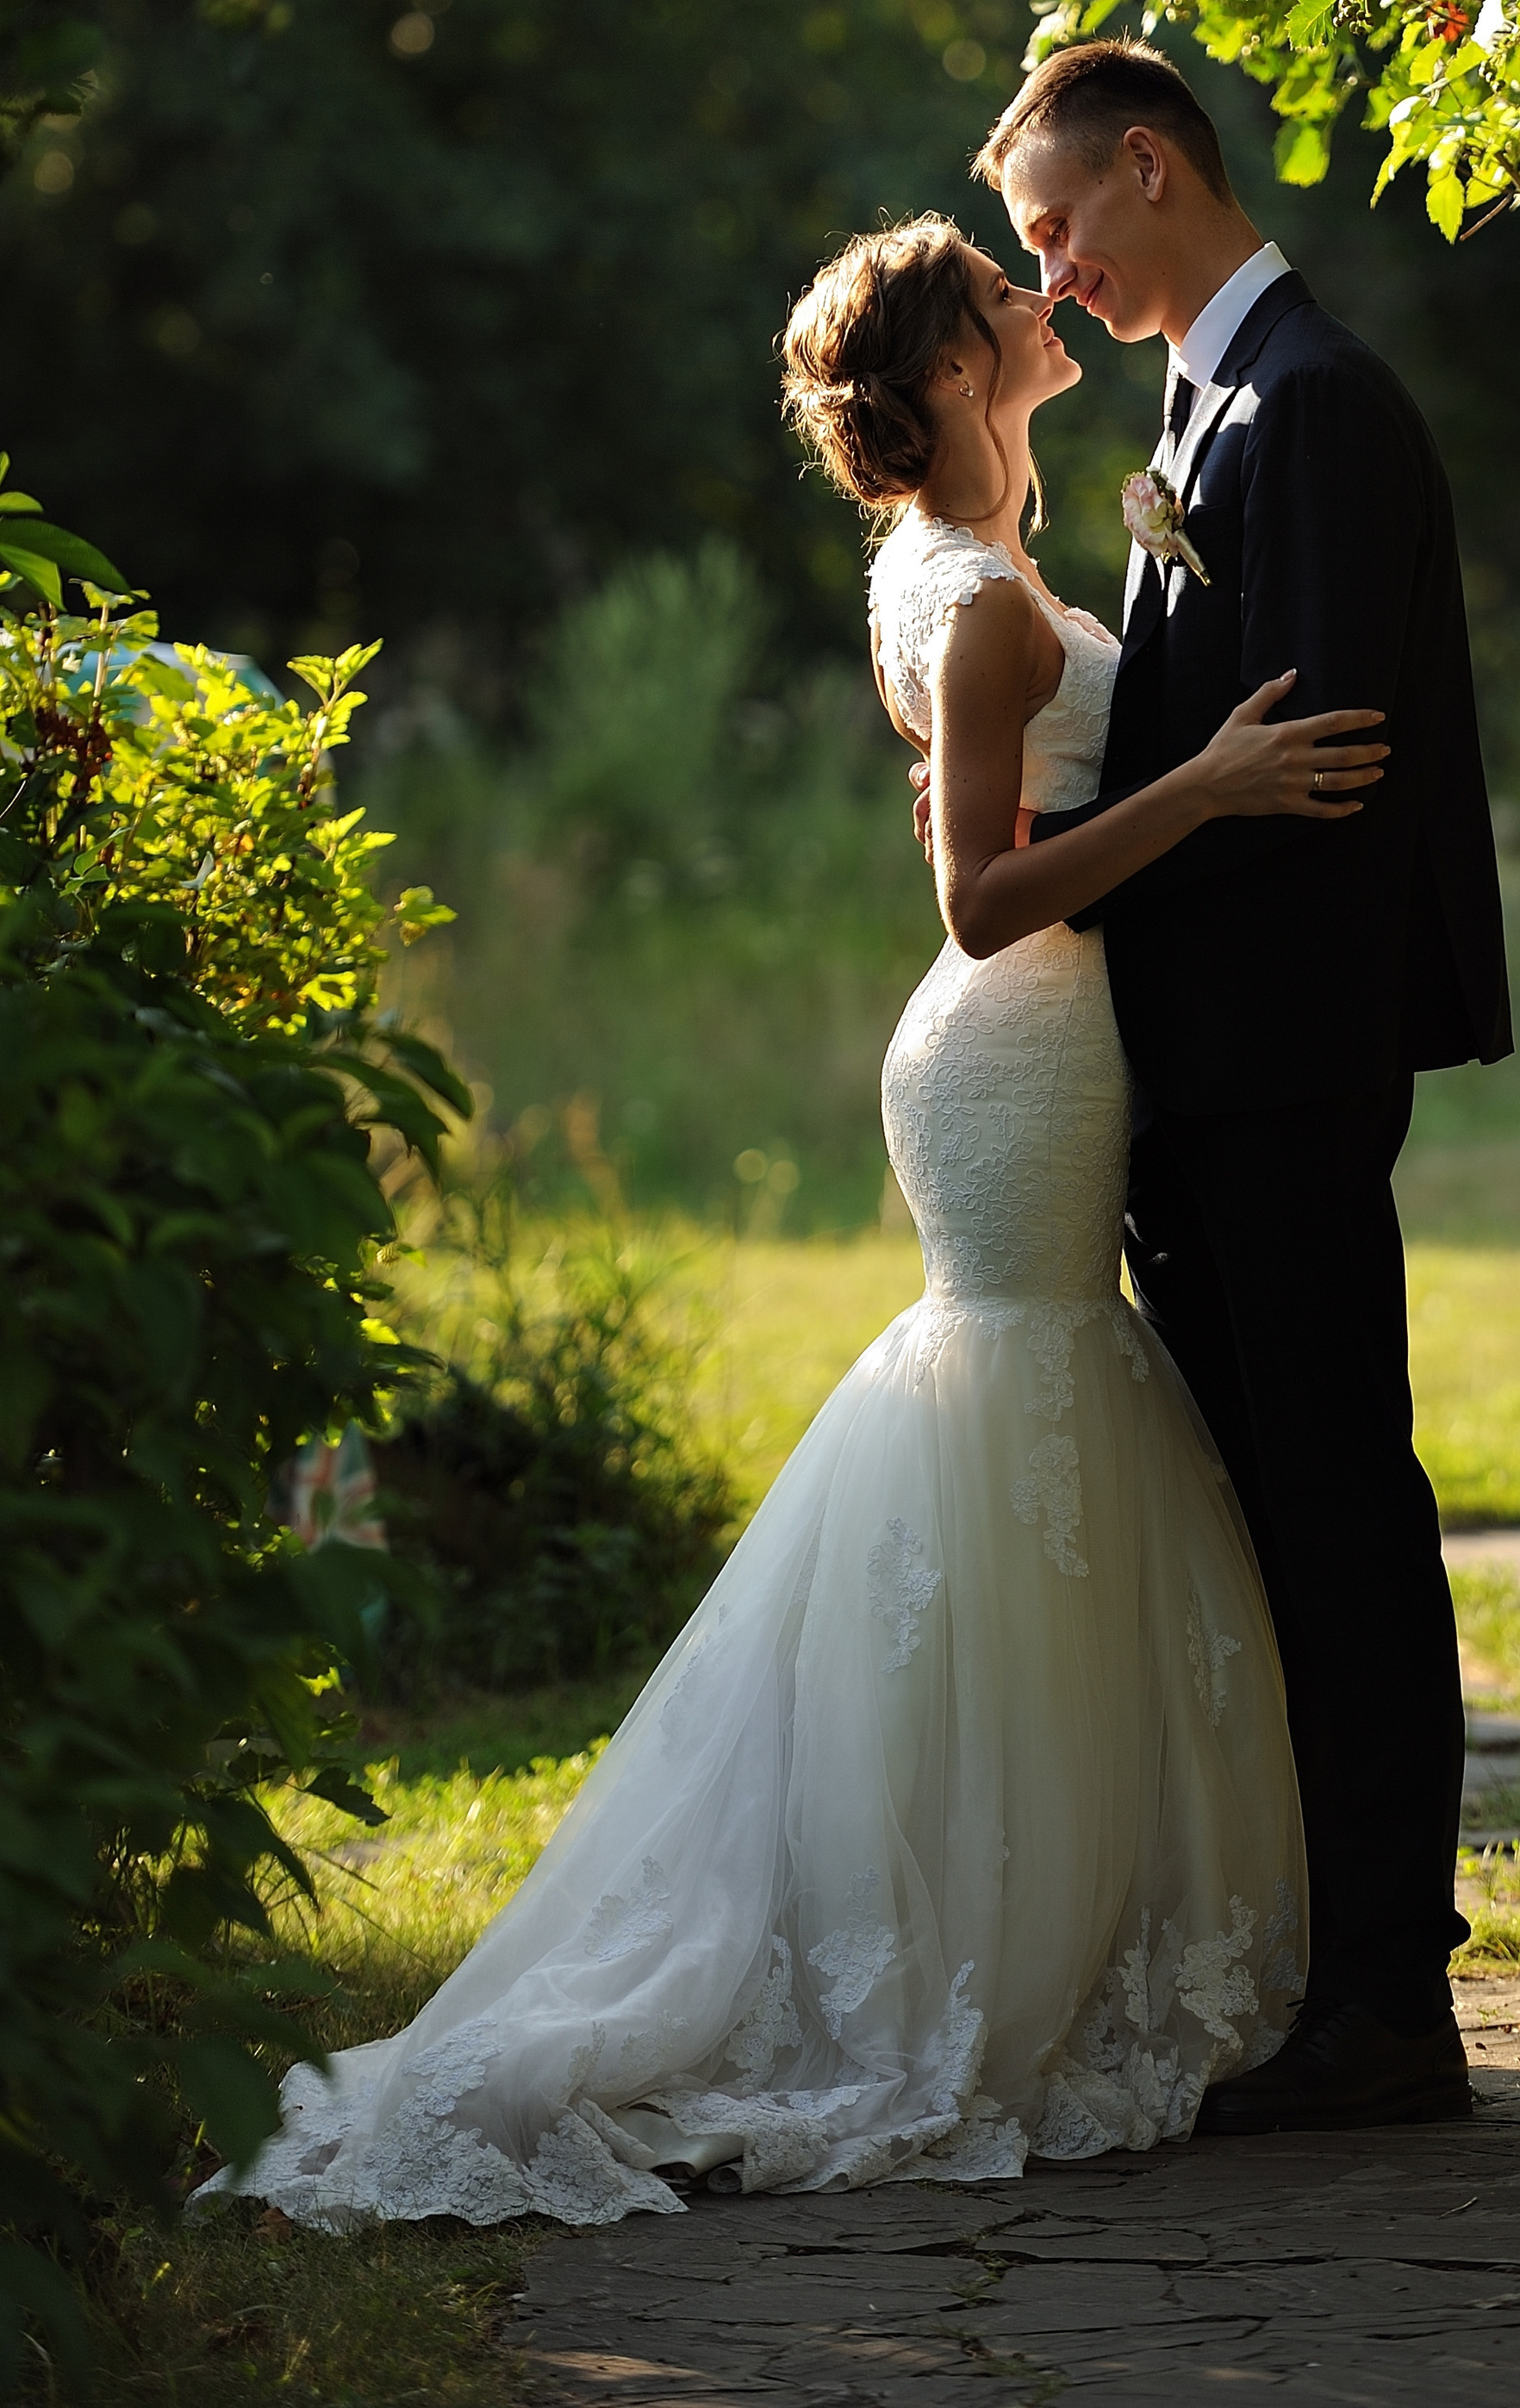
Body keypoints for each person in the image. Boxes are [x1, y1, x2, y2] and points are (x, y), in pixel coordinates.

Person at [200, 213, 1394, 2228]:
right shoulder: (985, 604)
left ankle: (1026, 1897)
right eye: (1004, 301)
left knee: (1033, 1423)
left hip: (1026, 1045)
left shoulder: (950, 570)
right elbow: (982, 895)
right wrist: (1217, 783)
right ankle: (970, 1943)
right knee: (1024, 1407)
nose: (1040, 300)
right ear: (944, 374)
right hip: (1019, 1036)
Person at [980, 39, 1511, 2136]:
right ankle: (1320, 1960)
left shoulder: (1317, 405)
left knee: (1337, 1506)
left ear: (1146, 165)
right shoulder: (1213, 402)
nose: (1048, 272)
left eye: (1055, 223)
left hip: (1281, 1062)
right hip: (1197, 1068)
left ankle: (1393, 1996)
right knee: (1266, 1513)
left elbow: (1313, 778)